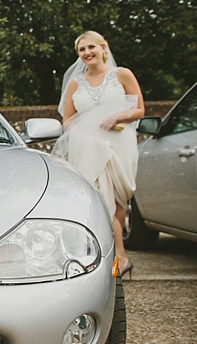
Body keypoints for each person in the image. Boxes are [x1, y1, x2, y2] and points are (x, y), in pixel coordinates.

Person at [54, 30, 144, 279]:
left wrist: (117, 116)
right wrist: (80, 131)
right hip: (89, 147)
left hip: (119, 144)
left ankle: (116, 257)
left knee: (119, 205)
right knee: (104, 203)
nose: (87, 53)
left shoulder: (122, 75)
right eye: (81, 50)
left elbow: (139, 109)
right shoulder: (75, 83)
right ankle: (119, 259)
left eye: (91, 47)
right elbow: (68, 119)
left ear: (104, 48)